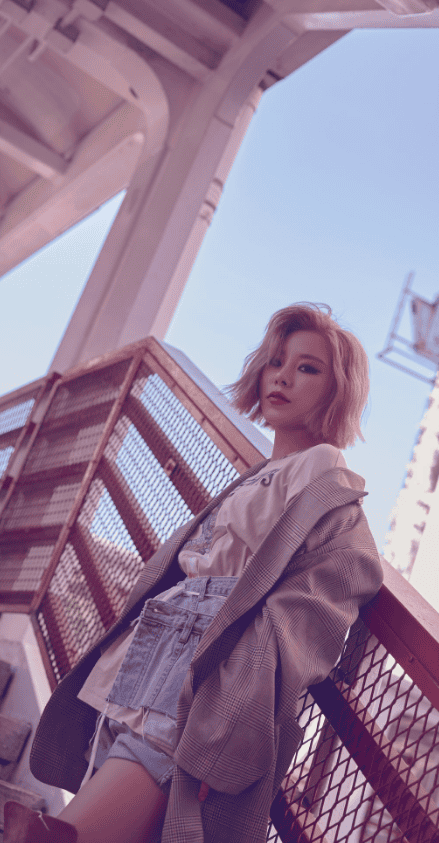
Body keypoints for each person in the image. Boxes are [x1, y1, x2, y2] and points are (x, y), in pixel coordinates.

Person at [9, 303, 383, 843]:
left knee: (66, 831)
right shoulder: (260, 473)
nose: (281, 376)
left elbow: (316, 599)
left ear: (338, 389)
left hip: (200, 672)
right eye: (276, 361)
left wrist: (232, 721)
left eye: (307, 368)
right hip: (151, 658)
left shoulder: (322, 468)